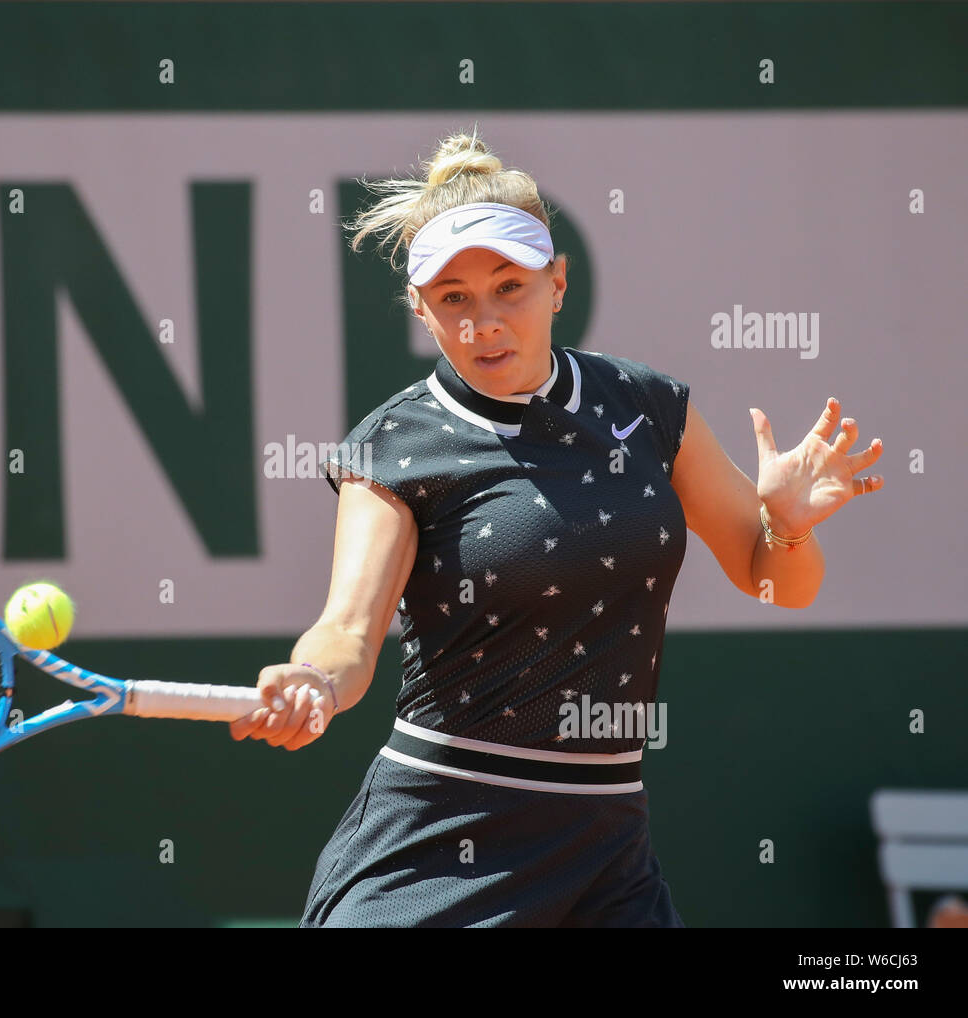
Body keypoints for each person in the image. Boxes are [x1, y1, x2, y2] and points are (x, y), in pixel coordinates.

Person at [229, 128, 885, 927]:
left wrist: (785, 524)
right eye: (454, 299)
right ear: (421, 310)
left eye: (510, 287)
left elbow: (777, 581)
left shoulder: (647, 407)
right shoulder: (396, 446)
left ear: (558, 283)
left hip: (607, 849)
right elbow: (347, 632)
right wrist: (314, 681)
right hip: (438, 838)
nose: (484, 322)